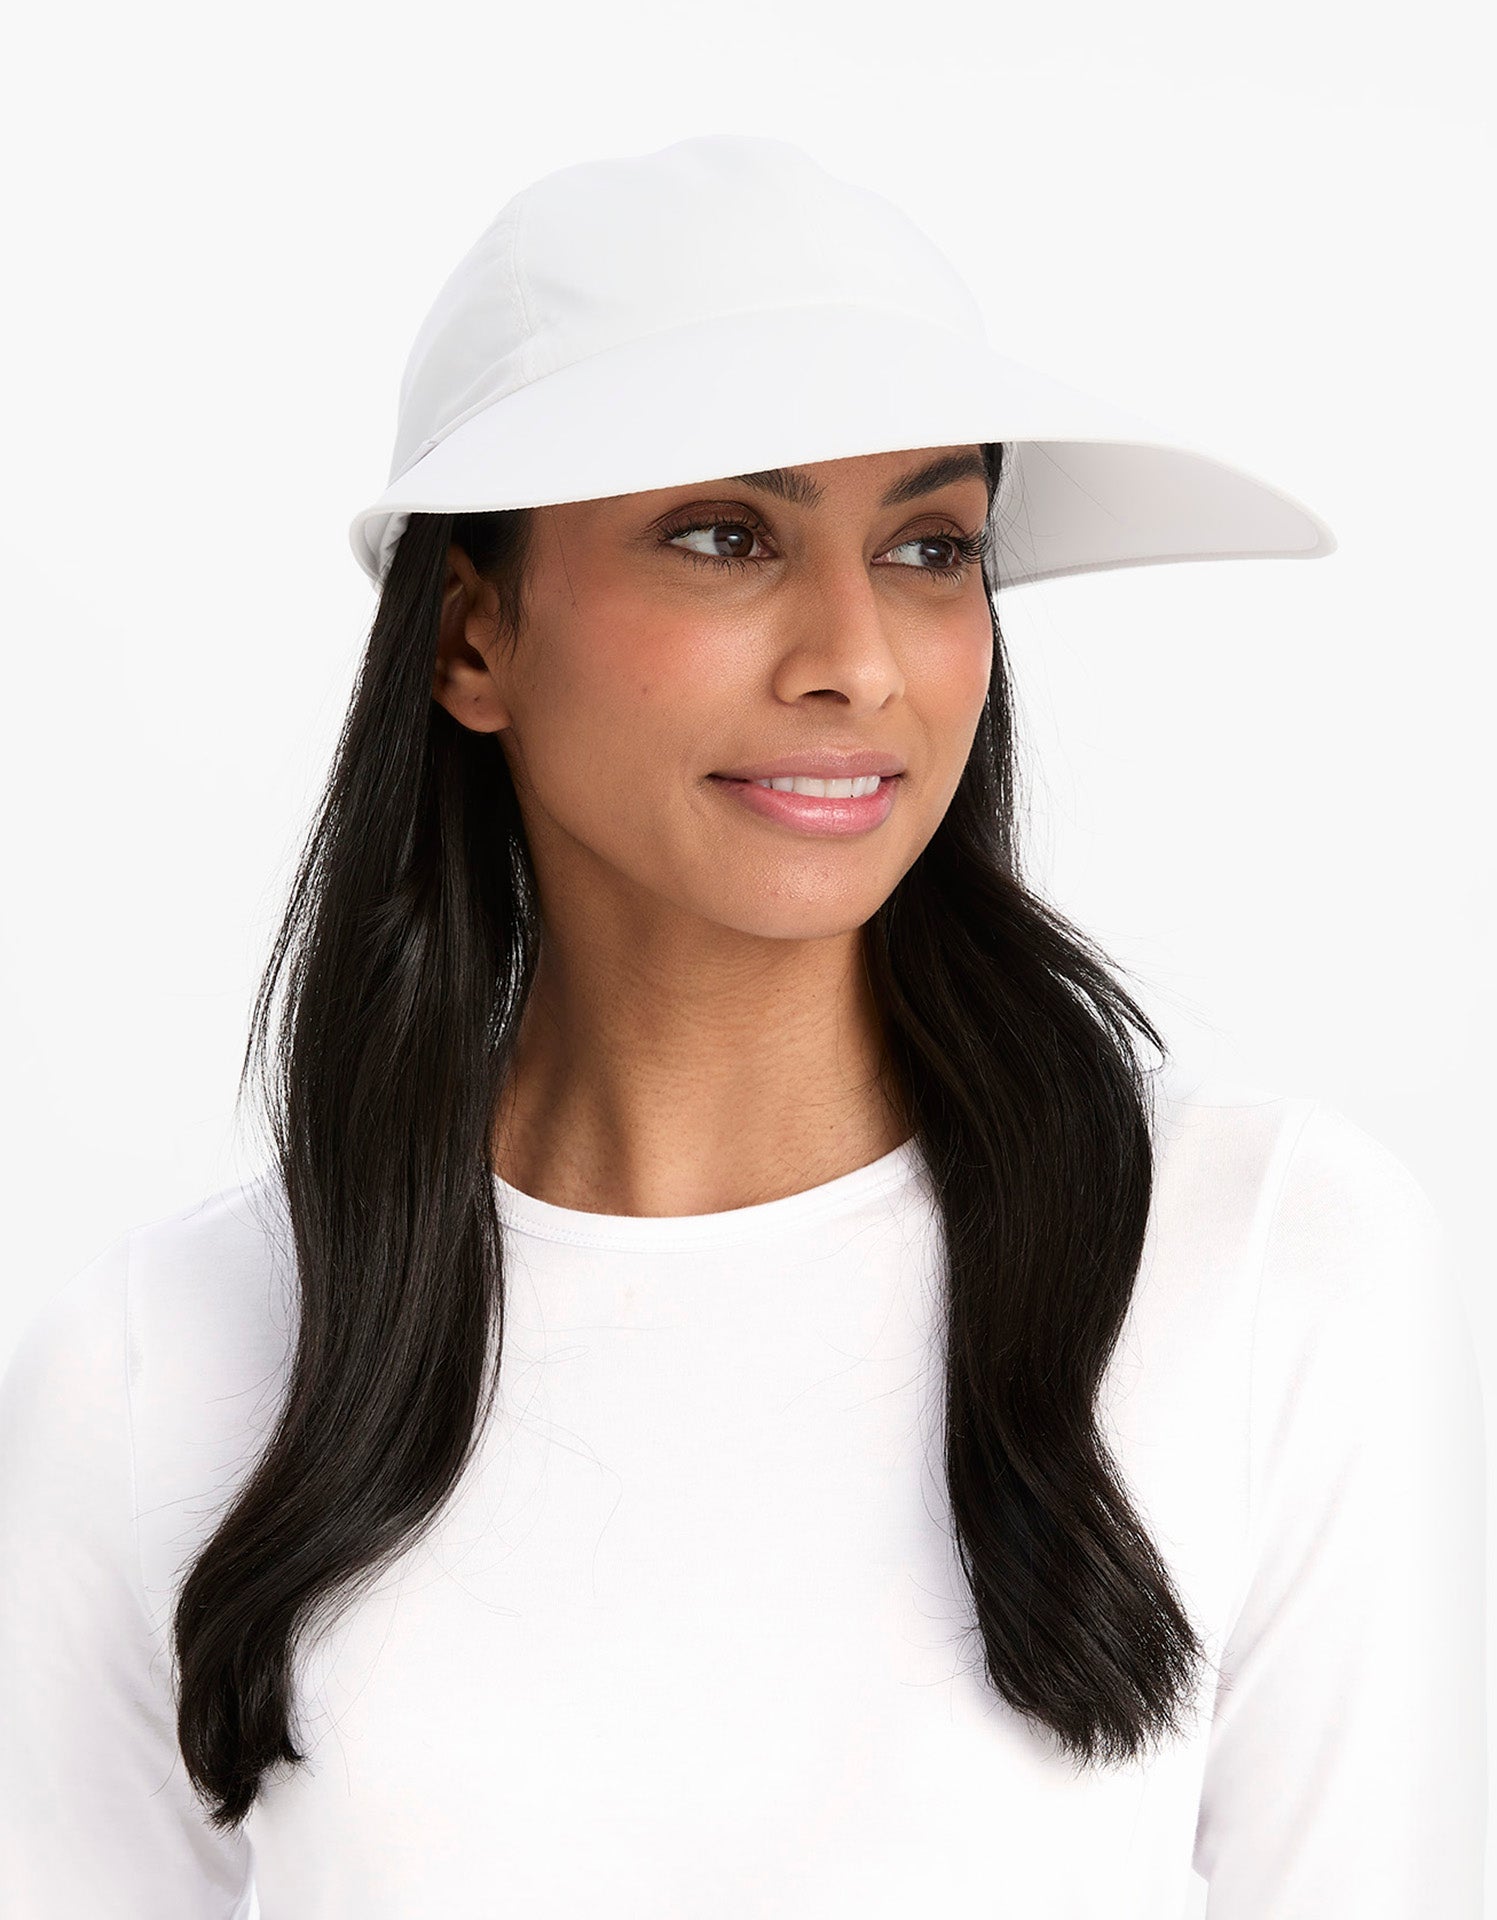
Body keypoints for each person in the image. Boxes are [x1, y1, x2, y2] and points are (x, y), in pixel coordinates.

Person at [0, 134, 1484, 1919]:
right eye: (724, 538)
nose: (855, 657)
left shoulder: (1260, 1261)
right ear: (470, 638)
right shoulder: (161, 1369)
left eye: (930, 548)